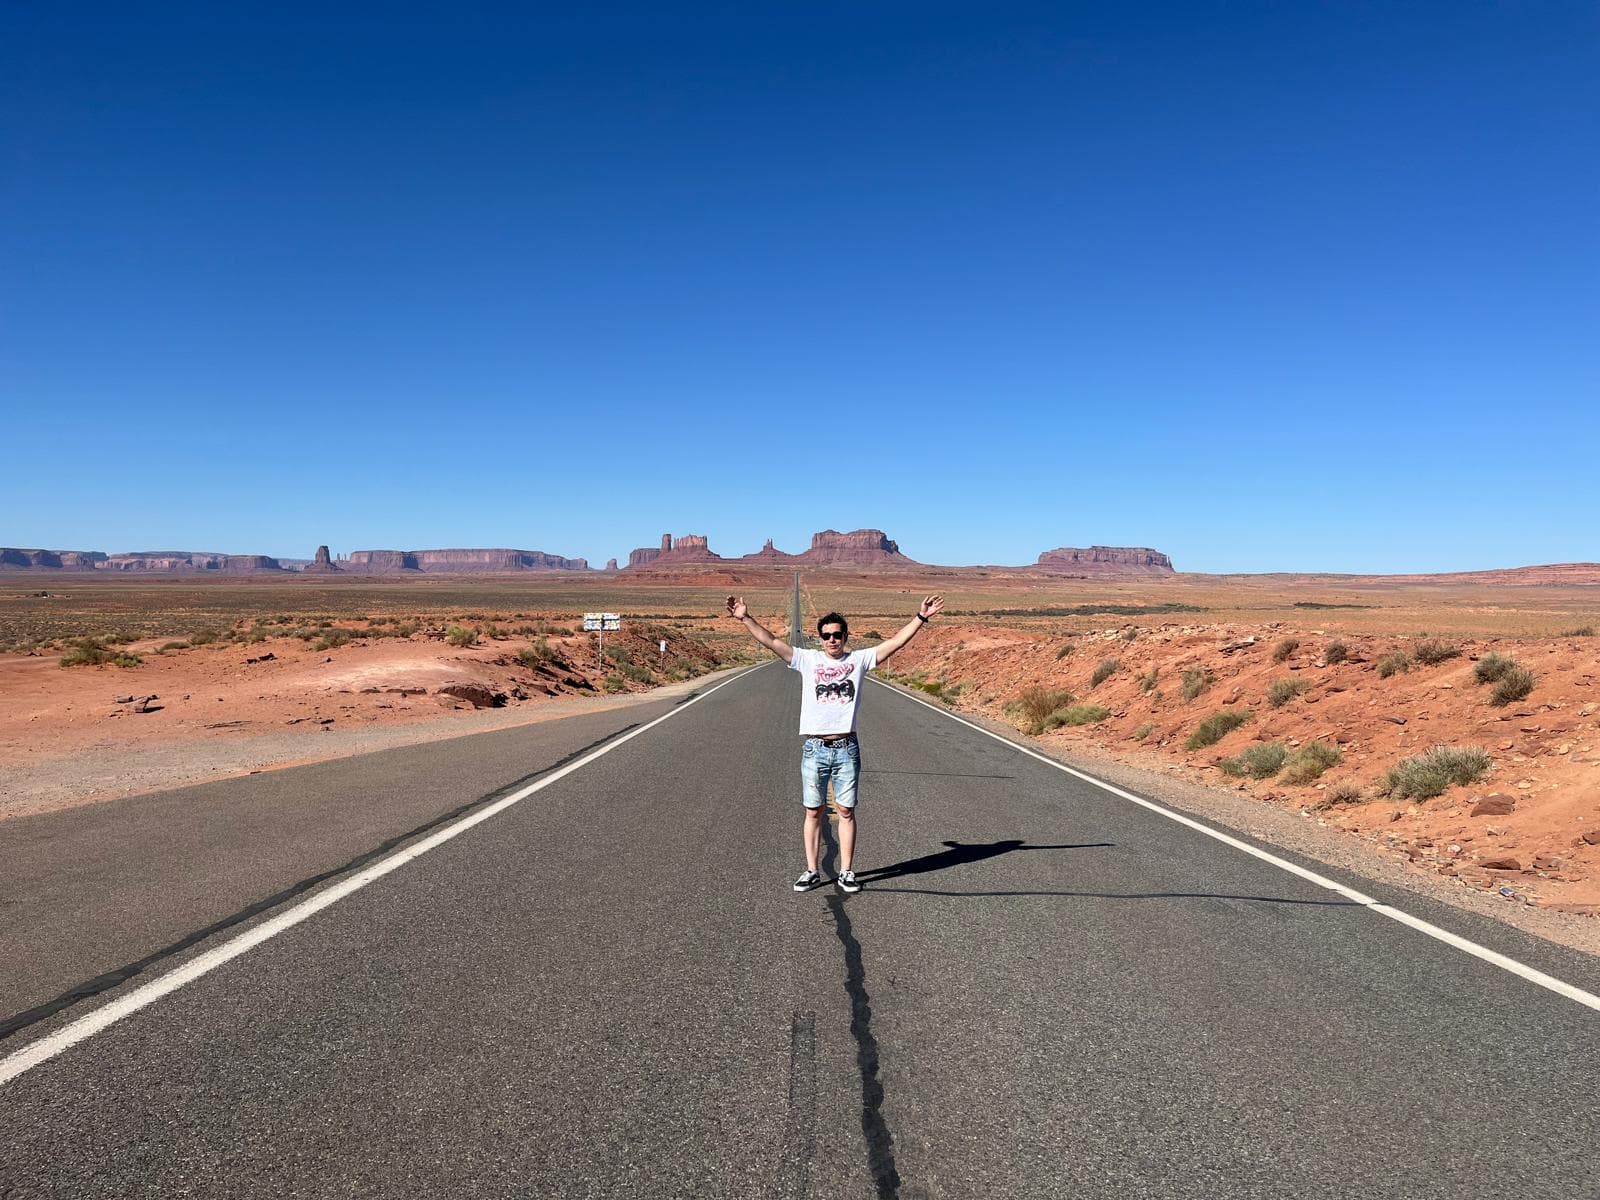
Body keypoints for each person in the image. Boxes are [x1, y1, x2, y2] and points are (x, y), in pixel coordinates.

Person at [725, 593, 944, 893]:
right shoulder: (807, 660)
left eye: (837, 635)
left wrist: (921, 618)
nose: (832, 640)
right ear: (820, 638)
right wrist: (745, 618)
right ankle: (812, 870)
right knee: (813, 811)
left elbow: (894, 643)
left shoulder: (858, 660)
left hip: (846, 748)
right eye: (826, 635)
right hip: (814, 748)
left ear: (845, 636)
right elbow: (773, 642)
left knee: (846, 811)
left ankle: (847, 872)